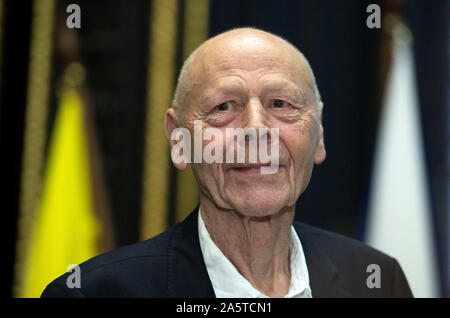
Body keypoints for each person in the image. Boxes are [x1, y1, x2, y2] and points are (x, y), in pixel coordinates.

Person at [41, 28, 413, 298]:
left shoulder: (377, 281)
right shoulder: (96, 294)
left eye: (281, 104)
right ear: (179, 140)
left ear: (319, 135)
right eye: (223, 107)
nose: (255, 129)